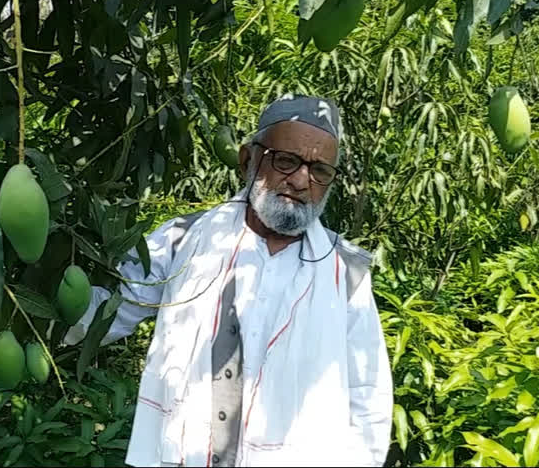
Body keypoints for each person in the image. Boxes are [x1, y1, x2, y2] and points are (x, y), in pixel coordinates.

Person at [65, 94, 393, 467]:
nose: (302, 181)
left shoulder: (344, 271)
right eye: (287, 161)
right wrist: (41, 282)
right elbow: (104, 316)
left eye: (320, 171)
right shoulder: (182, 240)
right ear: (247, 160)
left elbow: (367, 395)